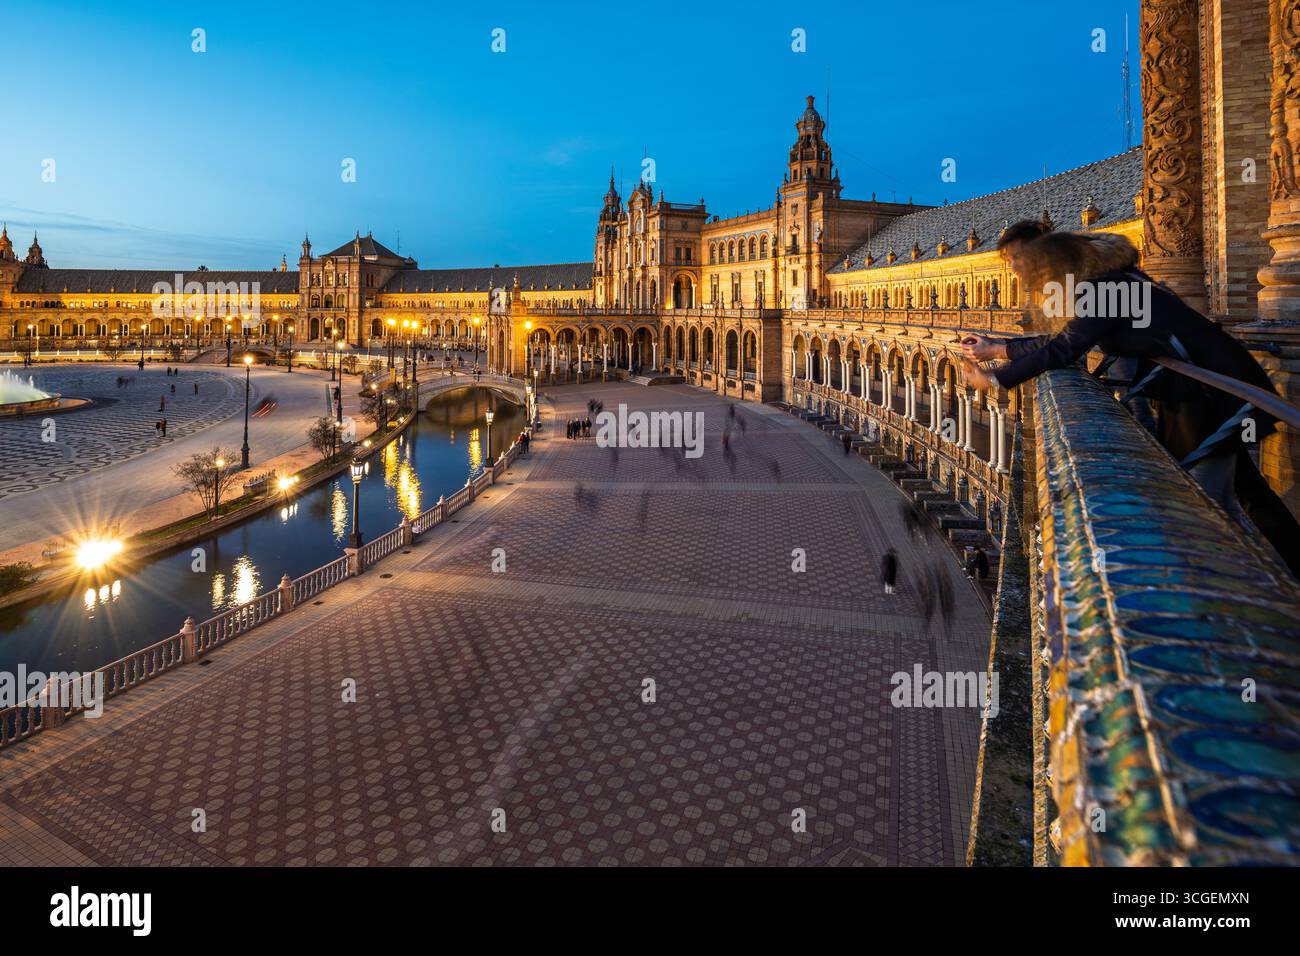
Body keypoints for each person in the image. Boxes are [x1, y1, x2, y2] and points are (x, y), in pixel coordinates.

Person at [962, 221, 1300, 576]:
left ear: (1049, 257)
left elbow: (1065, 348)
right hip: (1201, 387)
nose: (1013, 268)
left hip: (1213, 392)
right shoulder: (1109, 282)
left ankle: (1231, 584)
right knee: (1246, 490)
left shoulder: (1104, 288)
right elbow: (1066, 338)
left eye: (1017, 258)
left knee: (1207, 495)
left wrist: (996, 378)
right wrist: (998, 347)